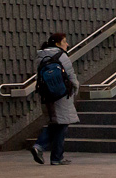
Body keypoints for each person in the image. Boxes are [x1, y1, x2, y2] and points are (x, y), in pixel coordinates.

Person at [31, 32, 80, 165]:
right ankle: (40, 146)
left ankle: (56, 157)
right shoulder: (62, 56)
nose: (67, 44)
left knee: (58, 123)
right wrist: (75, 89)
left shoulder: (40, 56)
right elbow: (71, 75)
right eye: (65, 41)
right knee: (60, 124)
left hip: (47, 94)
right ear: (58, 43)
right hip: (62, 94)